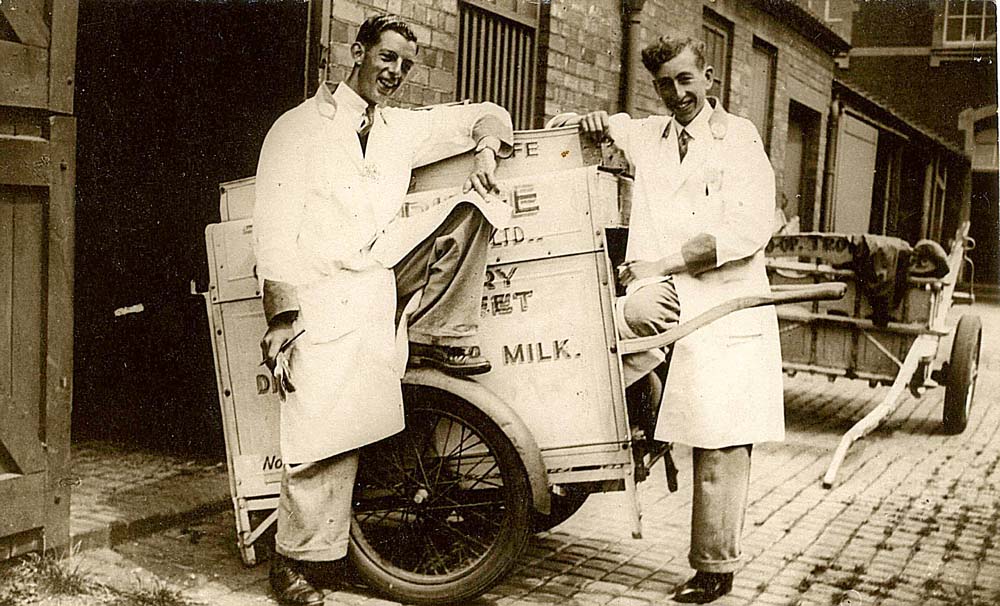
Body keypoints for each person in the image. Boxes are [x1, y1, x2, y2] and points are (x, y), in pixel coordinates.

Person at [252, 13, 513, 606]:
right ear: (357, 51)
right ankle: (292, 566)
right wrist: (281, 317)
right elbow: (272, 228)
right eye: (387, 57)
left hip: (376, 282)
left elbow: (487, 113)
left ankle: (436, 331)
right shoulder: (297, 129)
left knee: (476, 210)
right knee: (321, 433)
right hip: (318, 292)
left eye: (405, 64)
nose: (394, 72)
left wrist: (487, 152)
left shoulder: (402, 128)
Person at [571, 36, 783, 604]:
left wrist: (660, 262)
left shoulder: (738, 138)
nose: (677, 93)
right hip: (665, 297)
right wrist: (589, 120)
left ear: (708, 76)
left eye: (686, 80)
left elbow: (749, 226)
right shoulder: (651, 136)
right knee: (610, 332)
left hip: (723, 302)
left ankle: (715, 570)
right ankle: (642, 415)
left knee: (720, 441)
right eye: (665, 84)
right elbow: (591, 124)